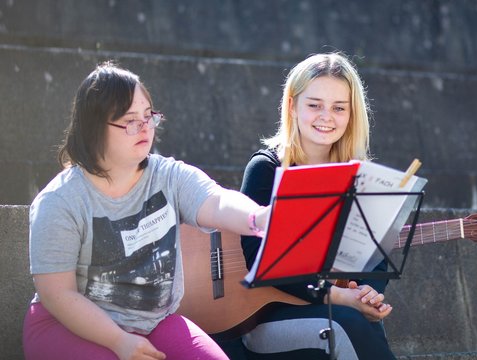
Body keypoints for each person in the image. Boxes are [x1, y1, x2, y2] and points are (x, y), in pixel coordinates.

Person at [22, 61, 270, 360]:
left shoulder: (167, 175)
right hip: (67, 325)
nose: (144, 127)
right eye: (130, 121)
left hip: (152, 322)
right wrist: (118, 341)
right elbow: (57, 295)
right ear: (94, 128)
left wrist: (257, 218)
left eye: (148, 116)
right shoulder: (60, 201)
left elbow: (216, 201)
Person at [238, 53, 396, 359]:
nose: (327, 116)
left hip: (335, 310)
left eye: (339, 108)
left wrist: (365, 294)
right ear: (292, 106)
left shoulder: (362, 178)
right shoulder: (266, 168)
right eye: (314, 105)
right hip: (264, 314)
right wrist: (342, 298)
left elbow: (373, 261)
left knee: (356, 322)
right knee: (346, 322)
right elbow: (257, 260)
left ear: (352, 114)